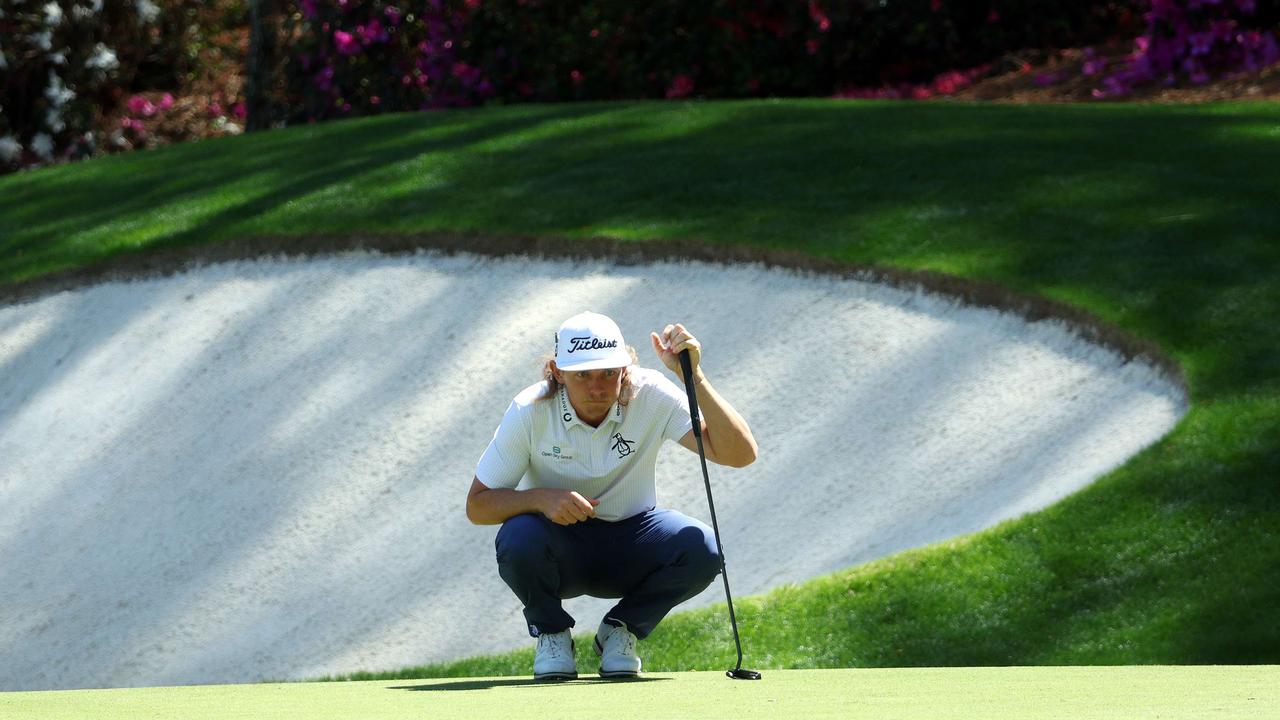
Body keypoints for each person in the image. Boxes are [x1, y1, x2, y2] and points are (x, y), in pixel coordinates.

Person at [466, 311, 758, 680]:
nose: (598, 387)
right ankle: (552, 632)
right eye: (582, 375)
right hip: (560, 553)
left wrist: (692, 377)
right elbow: (477, 504)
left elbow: (739, 454)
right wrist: (540, 499)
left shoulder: (650, 393)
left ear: (626, 367)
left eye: (608, 372)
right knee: (518, 536)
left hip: (634, 544)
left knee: (702, 548)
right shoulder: (530, 409)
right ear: (557, 372)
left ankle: (621, 629)